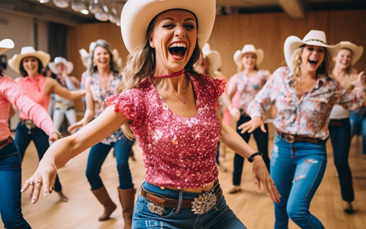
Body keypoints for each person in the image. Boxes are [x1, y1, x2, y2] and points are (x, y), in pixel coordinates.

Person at [21, 1, 280, 228]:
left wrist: (254, 156)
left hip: (215, 210)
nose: (181, 31)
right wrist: (48, 160)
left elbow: (219, 129)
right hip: (161, 216)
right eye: (169, 25)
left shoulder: (204, 85)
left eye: (189, 26)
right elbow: (75, 141)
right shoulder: (137, 99)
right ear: (152, 39)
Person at [240, 30, 366, 228]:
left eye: (320, 50)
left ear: (324, 56)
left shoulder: (330, 86)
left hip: (312, 151)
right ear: (301, 52)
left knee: (296, 210)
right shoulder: (280, 76)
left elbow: (357, 101)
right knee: (279, 206)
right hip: (281, 148)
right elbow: (258, 101)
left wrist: (361, 87)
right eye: (310, 49)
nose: (314, 54)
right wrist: (257, 116)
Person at [68, 39, 135, 227]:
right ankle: (108, 205)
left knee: (122, 164)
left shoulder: (121, 77)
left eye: (105, 53)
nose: (102, 56)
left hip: (121, 129)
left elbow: (128, 103)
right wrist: (84, 120)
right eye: (98, 54)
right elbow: (90, 109)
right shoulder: (89, 80)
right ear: (93, 59)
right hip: (101, 130)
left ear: (109, 56)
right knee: (91, 172)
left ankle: (128, 215)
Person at [8, 46, 85, 202]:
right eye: (27, 61)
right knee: (15, 162)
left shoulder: (48, 82)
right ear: (23, 65)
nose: (30, 64)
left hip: (41, 129)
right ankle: (13, 193)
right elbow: (12, 106)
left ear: (38, 63)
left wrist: (88, 91)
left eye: (33, 60)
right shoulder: (18, 82)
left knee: (48, 160)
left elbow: (69, 95)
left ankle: (59, 191)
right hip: (23, 128)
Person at [0, 38, 60, 229]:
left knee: (12, 220)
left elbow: (31, 107)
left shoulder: (5, 84)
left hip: (5, 156)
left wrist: (51, 128)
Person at [224, 44, 271, 194]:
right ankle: (236, 183)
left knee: (263, 152)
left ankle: (269, 183)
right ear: (242, 60)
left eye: (252, 57)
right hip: (243, 118)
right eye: (247, 57)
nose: (250, 60)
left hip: (258, 118)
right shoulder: (238, 77)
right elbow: (228, 96)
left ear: (256, 60)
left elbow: (275, 89)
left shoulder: (264, 74)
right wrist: (232, 109)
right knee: (239, 150)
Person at [329, 41, 364, 214]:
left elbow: (359, 101)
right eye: (342, 55)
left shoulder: (354, 77)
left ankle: (348, 200)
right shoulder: (326, 75)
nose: (345, 59)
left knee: (341, 161)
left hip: (341, 124)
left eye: (348, 57)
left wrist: (361, 86)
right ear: (335, 58)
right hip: (321, 123)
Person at [194, 43, 227, 172]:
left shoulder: (214, 80)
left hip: (215, 114)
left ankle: (216, 162)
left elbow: (222, 98)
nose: (200, 64)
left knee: (215, 140)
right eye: (198, 61)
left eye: (203, 61)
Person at [49, 57, 80, 135]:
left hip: (70, 106)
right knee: (54, 129)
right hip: (58, 107)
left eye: (61, 66)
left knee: (74, 128)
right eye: (58, 66)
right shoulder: (54, 81)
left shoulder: (72, 79)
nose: (60, 68)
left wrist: (66, 77)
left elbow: (73, 90)